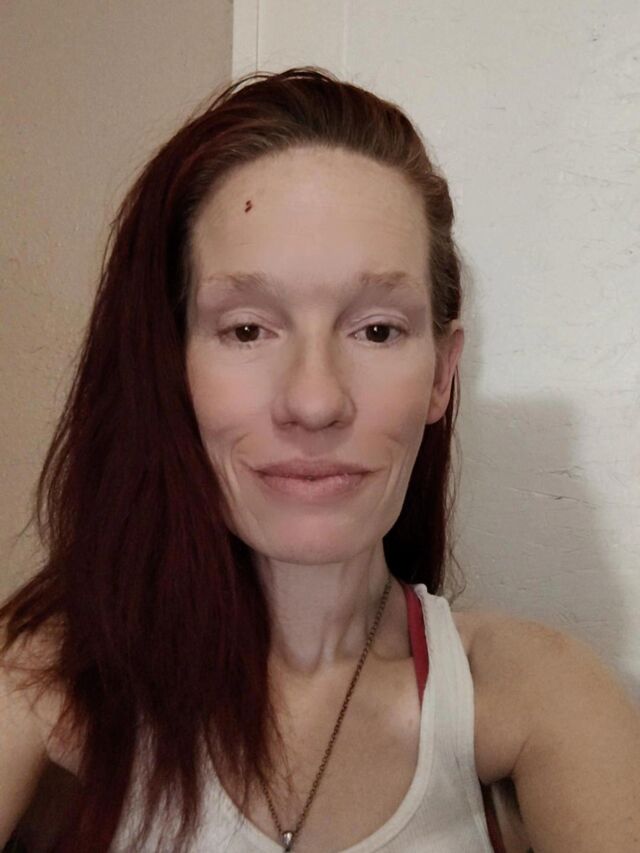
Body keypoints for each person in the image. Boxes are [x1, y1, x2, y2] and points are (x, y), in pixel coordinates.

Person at [1, 66, 639, 853]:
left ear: (441, 375)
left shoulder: (539, 698)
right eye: (246, 329)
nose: (313, 401)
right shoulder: (42, 680)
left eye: (377, 330)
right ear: (173, 366)